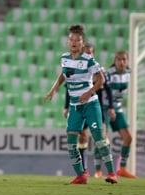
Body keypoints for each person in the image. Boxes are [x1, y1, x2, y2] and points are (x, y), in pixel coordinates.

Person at [44, 25, 117, 184]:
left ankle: (112, 173)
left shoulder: (88, 60)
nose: (74, 42)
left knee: (98, 139)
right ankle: (81, 175)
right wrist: (54, 88)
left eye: (77, 40)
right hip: (75, 106)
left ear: (82, 43)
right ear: (68, 42)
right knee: (71, 141)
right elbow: (63, 74)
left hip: (90, 104)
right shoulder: (64, 58)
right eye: (71, 40)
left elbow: (101, 80)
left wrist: (89, 92)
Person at [63, 43, 109, 178]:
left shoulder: (99, 71)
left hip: (96, 108)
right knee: (82, 137)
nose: (88, 55)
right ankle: (85, 169)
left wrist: (110, 106)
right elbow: (68, 89)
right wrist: (66, 106)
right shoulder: (76, 69)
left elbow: (107, 90)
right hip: (80, 107)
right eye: (86, 52)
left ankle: (102, 170)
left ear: (93, 55)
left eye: (90, 53)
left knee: (101, 138)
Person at [102, 51, 136, 178]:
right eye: (119, 59)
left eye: (124, 59)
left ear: (127, 61)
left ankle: (122, 169)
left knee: (128, 138)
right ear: (115, 61)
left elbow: (120, 92)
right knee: (103, 139)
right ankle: (102, 170)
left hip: (117, 108)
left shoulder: (129, 73)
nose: (121, 62)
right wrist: (110, 107)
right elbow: (108, 91)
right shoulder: (109, 73)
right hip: (105, 107)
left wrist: (118, 104)